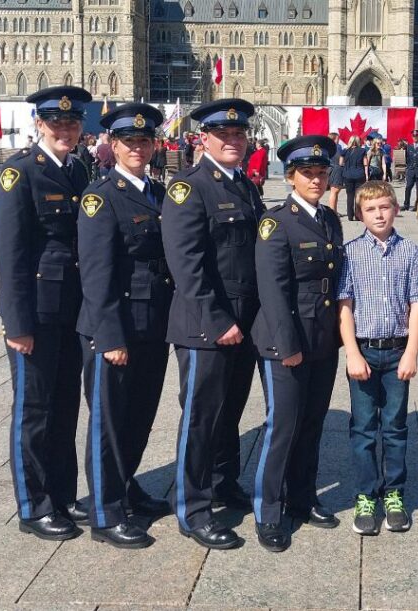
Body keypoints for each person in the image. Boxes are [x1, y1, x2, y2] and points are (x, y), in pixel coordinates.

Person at [161, 99, 266, 551]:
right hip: (207, 324)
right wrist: (218, 319)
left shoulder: (245, 185)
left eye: (239, 135)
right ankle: (193, 506)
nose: (232, 141)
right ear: (202, 138)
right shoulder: (189, 188)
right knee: (201, 417)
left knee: (230, 412)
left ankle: (224, 482)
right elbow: (187, 265)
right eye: (223, 135)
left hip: (243, 321)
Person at [0, 85, 93, 541]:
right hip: (35, 314)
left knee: (65, 405)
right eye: (57, 124)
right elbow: (11, 255)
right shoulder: (21, 175)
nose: (65, 130)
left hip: (72, 311)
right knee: (33, 410)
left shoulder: (77, 170)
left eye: (72, 123)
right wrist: (17, 324)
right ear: (39, 125)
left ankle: (62, 494)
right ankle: (33, 506)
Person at [76, 103, 173, 549]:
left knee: (139, 417)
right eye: (128, 141)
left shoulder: (157, 192)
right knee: (110, 422)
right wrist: (108, 336)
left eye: (144, 141)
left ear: (154, 145)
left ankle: (126, 485)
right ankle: (104, 511)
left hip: (152, 324)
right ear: (112, 146)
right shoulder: (101, 197)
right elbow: (96, 276)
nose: (137, 147)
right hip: (114, 327)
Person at [251, 134, 344, 552]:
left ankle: (303, 497)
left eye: (321, 172)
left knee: (311, 425)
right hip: (284, 341)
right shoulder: (276, 222)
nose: (316, 179)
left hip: (321, 339)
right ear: (290, 177)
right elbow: (272, 291)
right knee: (282, 428)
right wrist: (288, 346)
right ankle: (269, 510)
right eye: (307, 173)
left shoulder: (329, 218)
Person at [338, 180, 418, 536]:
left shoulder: (411, 252)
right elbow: (344, 306)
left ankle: (394, 493)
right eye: (370, 209)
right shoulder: (349, 253)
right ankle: (365, 494)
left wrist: (411, 352)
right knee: (363, 429)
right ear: (360, 214)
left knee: (394, 428)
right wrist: (352, 353)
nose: (378, 214)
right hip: (363, 350)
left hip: (396, 353)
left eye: (384, 207)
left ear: (395, 208)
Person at [341, 135, 367, 221]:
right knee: (358, 196)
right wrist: (366, 175)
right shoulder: (363, 151)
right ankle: (357, 215)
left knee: (350, 196)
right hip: (359, 174)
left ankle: (350, 216)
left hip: (348, 175)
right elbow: (365, 164)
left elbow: (341, 163)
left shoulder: (344, 151)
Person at [403, 129, 418, 211]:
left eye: (416, 136)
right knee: (408, 187)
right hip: (410, 170)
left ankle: (417, 205)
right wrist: (408, 167)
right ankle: (406, 205)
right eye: (413, 136)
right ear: (412, 137)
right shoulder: (408, 147)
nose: (415, 137)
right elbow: (406, 158)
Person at [327, 132, 345, 215]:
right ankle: (332, 212)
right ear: (334, 139)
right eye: (338, 138)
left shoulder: (325, 147)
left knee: (334, 191)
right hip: (336, 168)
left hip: (329, 168)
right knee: (334, 191)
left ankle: (334, 210)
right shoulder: (337, 147)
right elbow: (340, 159)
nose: (339, 140)